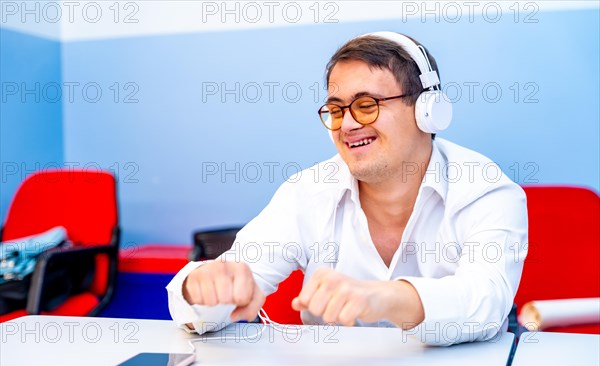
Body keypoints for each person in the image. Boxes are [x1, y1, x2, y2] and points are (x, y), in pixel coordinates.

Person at [166, 32, 528, 346]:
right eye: (336, 110)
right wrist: (200, 289)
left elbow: (487, 301)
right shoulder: (307, 192)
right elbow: (211, 298)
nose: (348, 124)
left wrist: (387, 297)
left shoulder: (486, 190)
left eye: (366, 105)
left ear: (426, 110)